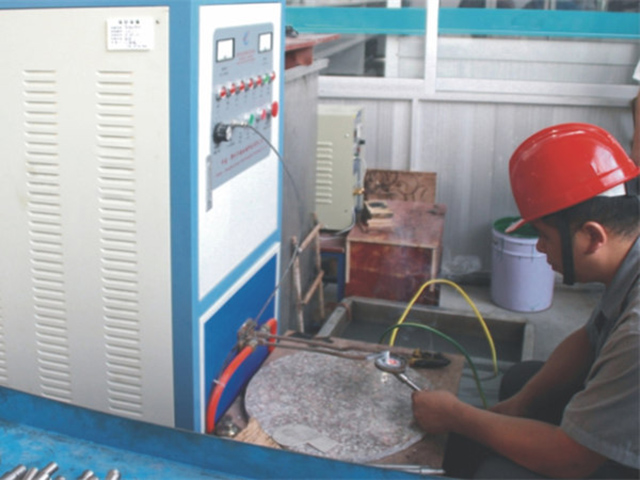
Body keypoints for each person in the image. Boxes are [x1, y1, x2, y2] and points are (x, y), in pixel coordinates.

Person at [412, 123, 640, 479]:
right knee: (523, 380)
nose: (540, 248)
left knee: (495, 473)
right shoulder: (628, 257)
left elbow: (571, 459)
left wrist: (457, 416)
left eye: (545, 236)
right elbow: (590, 338)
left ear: (593, 237)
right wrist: (521, 403)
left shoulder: (636, 334)